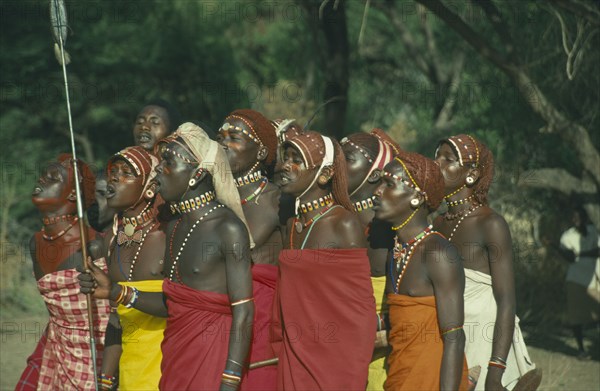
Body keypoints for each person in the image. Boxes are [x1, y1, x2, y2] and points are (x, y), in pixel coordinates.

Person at [79, 122, 254, 390]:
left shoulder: (227, 228)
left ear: (196, 175)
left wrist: (230, 380)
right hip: (174, 361)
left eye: (169, 162)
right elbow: (171, 303)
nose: (159, 169)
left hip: (212, 361)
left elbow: (243, 313)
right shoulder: (174, 227)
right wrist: (115, 291)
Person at [434, 134, 539, 390]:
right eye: (436, 156)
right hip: (445, 337)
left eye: (447, 159)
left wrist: (496, 369)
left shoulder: (491, 224)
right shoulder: (436, 222)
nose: (437, 164)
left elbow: (506, 300)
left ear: (471, 174)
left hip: (483, 339)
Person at [274, 130, 376, 389]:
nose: (285, 165)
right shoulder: (292, 222)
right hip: (294, 355)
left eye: (296, 159)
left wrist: (353, 374)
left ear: (325, 173)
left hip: (335, 362)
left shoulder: (344, 224)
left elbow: (360, 313)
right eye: (285, 157)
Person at [373, 150, 468, 391]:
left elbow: (454, 337)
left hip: (433, 378)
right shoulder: (396, 248)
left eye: (389, 184)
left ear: (416, 197)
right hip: (400, 374)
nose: (378, 192)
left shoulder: (438, 253)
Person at [17, 154, 110, 390]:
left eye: (53, 178)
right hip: (55, 351)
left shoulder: (94, 246)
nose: (42, 180)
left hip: (92, 360)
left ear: (72, 195)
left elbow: (111, 318)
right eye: (43, 175)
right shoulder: (35, 242)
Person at [217, 109, 282, 389]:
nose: (223, 143)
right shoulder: (214, 192)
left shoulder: (274, 199)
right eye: (220, 137)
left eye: (235, 137)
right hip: (218, 316)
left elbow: (240, 252)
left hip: (257, 320)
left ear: (260, 153)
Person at [97, 146, 166, 390]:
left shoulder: (167, 233)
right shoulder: (112, 239)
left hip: (167, 368)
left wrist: (118, 292)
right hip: (130, 372)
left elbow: (182, 304)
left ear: (149, 188)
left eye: (127, 173)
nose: (114, 177)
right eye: (112, 172)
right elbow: (116, 318)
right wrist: (105, 379)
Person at [341, 128, 400, 390]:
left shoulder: (383, 226)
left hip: (375, 342)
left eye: (348, 159)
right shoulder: (336, 216)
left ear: (374, 174)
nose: (338, 167)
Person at [559, 206, 600, 359]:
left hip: (594, 277)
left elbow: (598, 251)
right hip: (576, 279)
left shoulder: (593, 231)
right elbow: (569, 257)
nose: (575, 220)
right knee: (576, 317)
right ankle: (581, 349)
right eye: (573, 217)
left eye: (578, 216)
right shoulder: (567, 236)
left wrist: (580, 254)